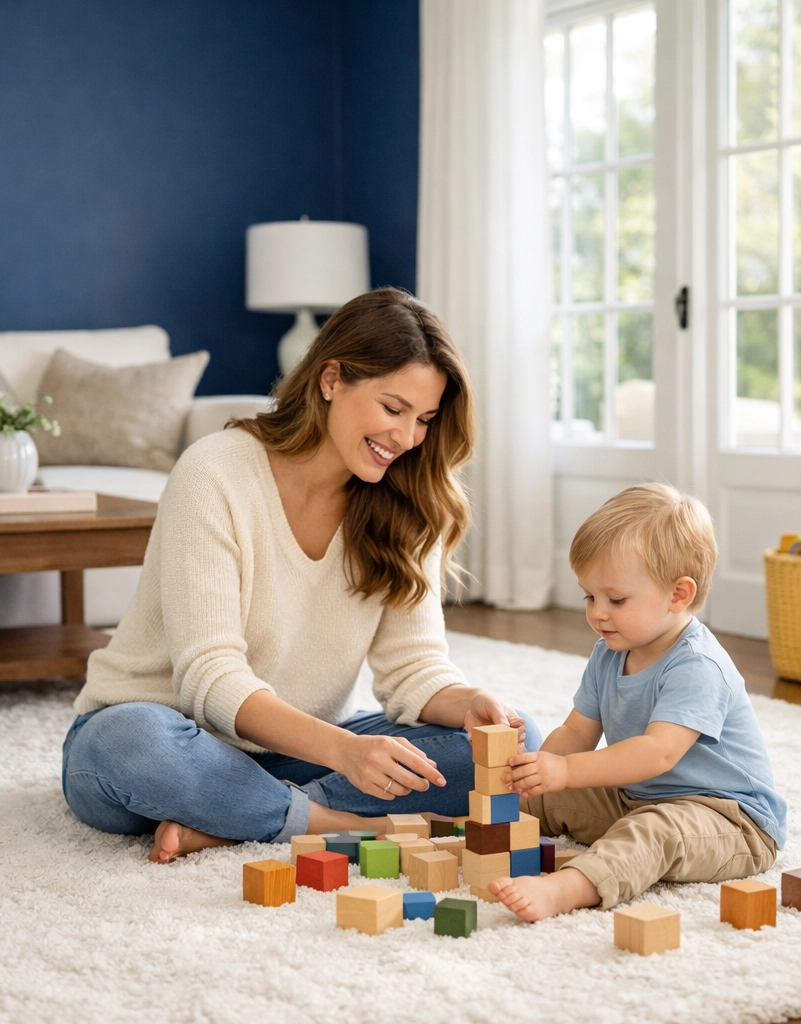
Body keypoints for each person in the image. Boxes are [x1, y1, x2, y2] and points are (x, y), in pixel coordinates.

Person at [62, 288, 539, 863]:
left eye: (425, 420)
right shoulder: (215, 471)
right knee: (127, 746)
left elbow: (414, 670)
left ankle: (242, 817)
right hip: (168, 735)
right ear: (331, 378)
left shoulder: (411, 502)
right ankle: (342, 825)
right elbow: (208, 678)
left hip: (294, 750)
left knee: (516, 745)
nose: (408, 438)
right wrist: (345, 754)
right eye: (393, 409)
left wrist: (467, 703)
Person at [489, 483, 786, 920]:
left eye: (616, 599)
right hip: (637, 796)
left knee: (649, 833)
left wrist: (567, 770)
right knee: (539, 800)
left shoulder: (698, 665)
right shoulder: (610, 651)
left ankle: (568, 890)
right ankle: (465, 834)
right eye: (589, 596)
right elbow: (577, 731)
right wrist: (536, 770)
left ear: (678, 595)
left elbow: (657, 752)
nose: (596, 613)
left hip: (728, 820)